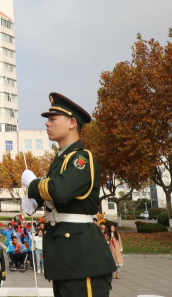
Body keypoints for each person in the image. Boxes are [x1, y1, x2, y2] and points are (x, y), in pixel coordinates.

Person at [21, 92, 116, 297]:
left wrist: (34, 184)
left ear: (72, 123)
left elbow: (61, 191)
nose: (47, 124)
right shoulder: (60, 161)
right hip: (65, 260)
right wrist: (33, 200)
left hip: (82, 259)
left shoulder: (82, 158)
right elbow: (55, 197)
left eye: (53, 119)